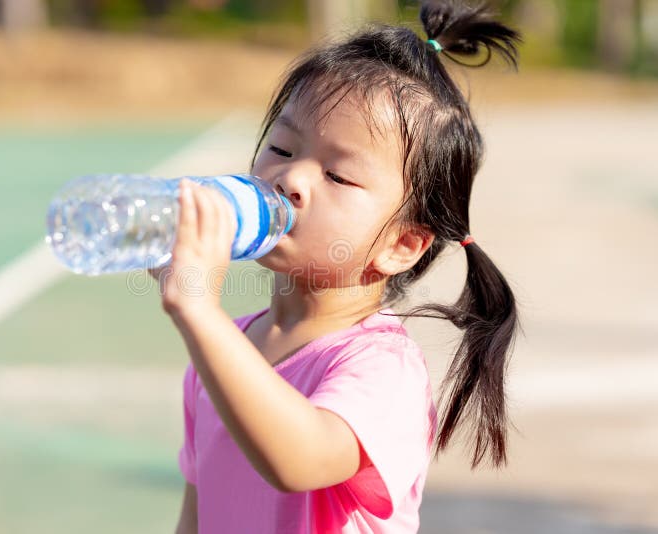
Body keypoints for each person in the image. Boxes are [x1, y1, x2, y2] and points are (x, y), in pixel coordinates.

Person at [151, 1, 522, 532]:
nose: (291, 179)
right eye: (281, 146)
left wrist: (197, 311)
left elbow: (298, 460)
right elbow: (197, 513)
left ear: (402, 245)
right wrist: (205, 324)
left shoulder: (383, 367)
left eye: (338, 176)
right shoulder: (223, 348)